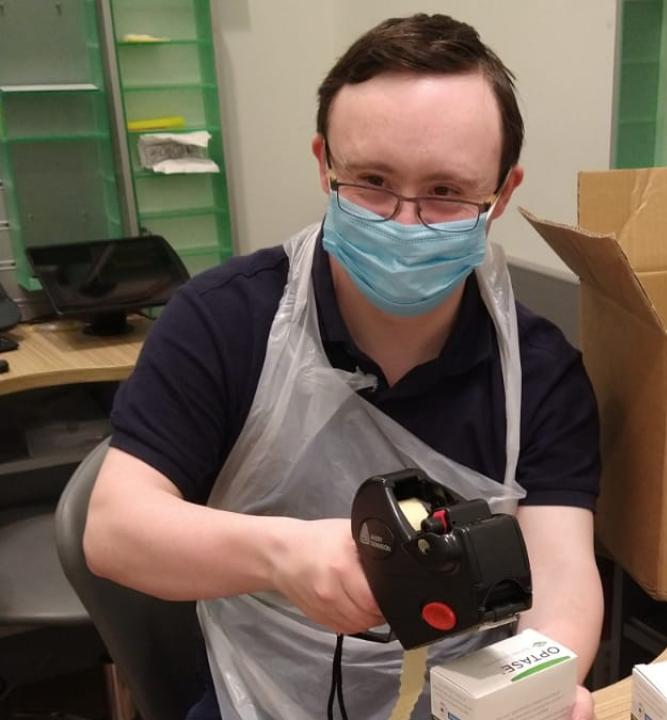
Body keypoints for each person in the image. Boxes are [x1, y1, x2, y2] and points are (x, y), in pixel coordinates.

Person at [84, 13, 603, 720]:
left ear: (501, 196)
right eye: (372, 181)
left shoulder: (538, 371)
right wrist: (280, 554)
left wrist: (542, 682)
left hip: (459, 697)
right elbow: (115, 531)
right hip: (261, 697)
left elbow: (562, 574)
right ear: (324, 163)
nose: (404, 220)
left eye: (447, 191)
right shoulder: (224, 321)